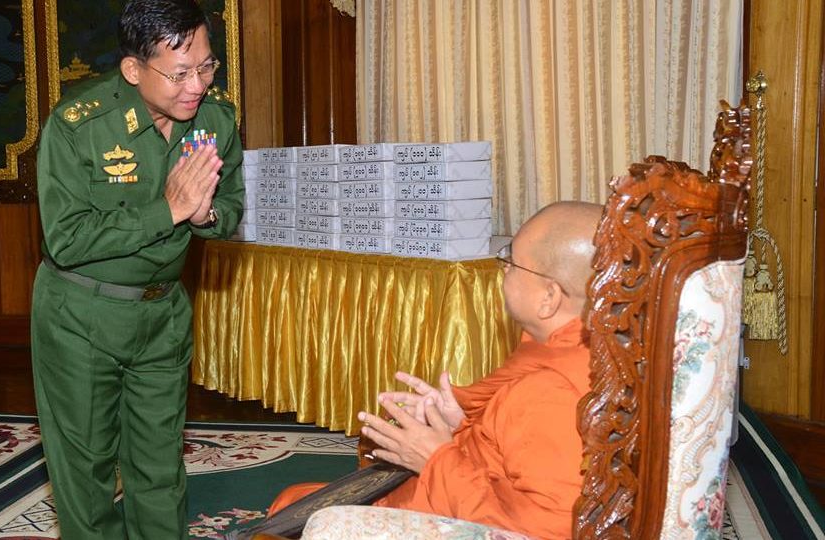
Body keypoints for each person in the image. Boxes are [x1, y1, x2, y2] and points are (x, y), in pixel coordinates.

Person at [30, 0, 243, 538]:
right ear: (133, 69)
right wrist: (167, 210)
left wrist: (206, 213)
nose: (197, 85)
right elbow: (66, 239)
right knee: (86, 471)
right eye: (180, 73)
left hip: (162, 315)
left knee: (159, 467)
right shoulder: (80, 126)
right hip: (81, 316)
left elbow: (231, 206)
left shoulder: (216, 120)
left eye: (207, 67)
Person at [269, 201, 603, 540]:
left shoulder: (548, 393)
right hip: (468, 491)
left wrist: (435, 458)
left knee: (302, 519)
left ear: (549, 297)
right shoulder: (591, 348)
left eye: (512, 262)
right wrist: (462, 424)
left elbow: (539, 532)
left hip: (458, 515)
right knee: (296, 502)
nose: (503, 270)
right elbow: (516, 451)